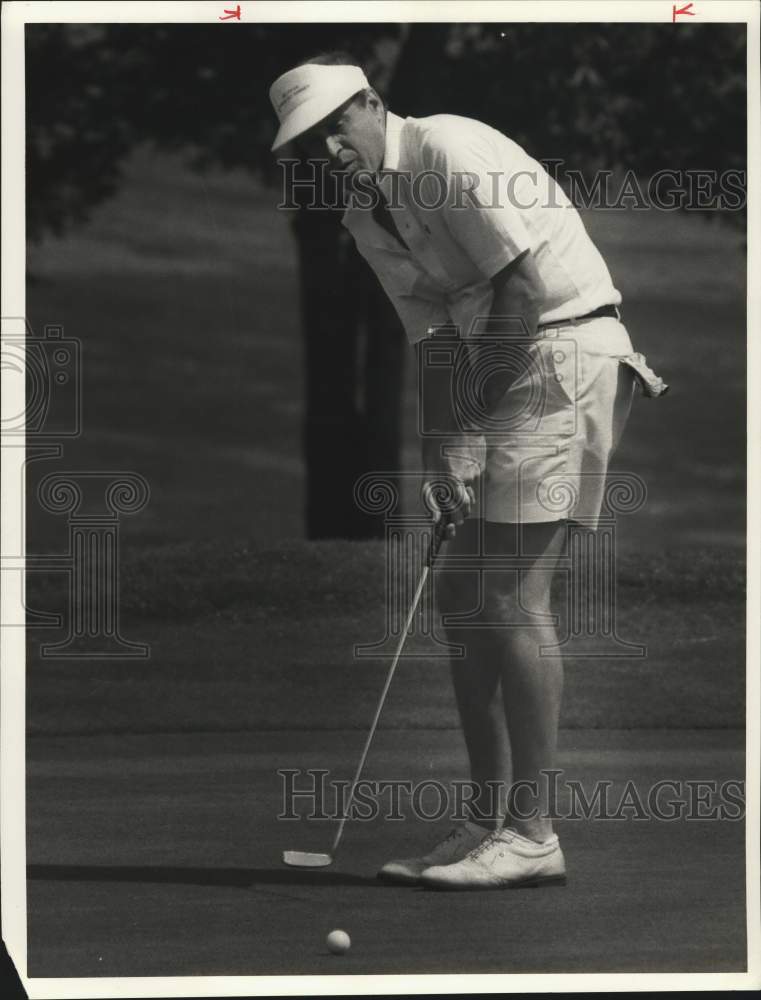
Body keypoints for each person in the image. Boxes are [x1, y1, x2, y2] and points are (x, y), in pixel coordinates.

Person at [269, 54, 663, 890]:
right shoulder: (363, 215)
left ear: (372, 104)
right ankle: (487, 821)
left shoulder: (446, 149)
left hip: (562, 349)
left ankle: (531, 832)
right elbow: (437, 337)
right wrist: (438, 449)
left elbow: (517, 289)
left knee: (505, 596)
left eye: (336, 125)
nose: (326, 149)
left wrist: (473, 429)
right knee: (459, 594)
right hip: (505, 362)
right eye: (307, 142)